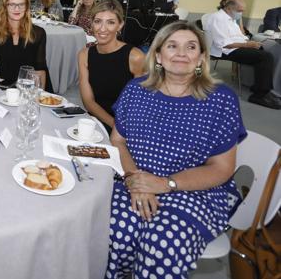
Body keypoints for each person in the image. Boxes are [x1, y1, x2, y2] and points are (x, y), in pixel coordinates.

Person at [106, 21, 247, 279]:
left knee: (162, 242)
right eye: (172, 45)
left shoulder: (220, 99)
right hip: (133, 177)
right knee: (112, 229)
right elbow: (118, 141)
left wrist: (164, 184)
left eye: (191, 47)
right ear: (158, 55)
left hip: (193, 190)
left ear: (201, 57)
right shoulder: (136, 90)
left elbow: (222, 168)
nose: (181, 53)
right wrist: (134, 180)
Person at [77, 0, 145, 133]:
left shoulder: (135, 57)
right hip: (96, 122)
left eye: (111, 22)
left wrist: (120, 131)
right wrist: (114, 125)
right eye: (97, 21)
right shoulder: (84, 55)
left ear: (120, 26)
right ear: (91, 23)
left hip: (128, 127)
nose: (102, 29)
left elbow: (140, 107)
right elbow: (88, 102)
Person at [205, 0, 279, 109]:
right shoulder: (218, 18)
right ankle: (259, 95)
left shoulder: (230, 19)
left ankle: (262, 89)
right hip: (225, 51)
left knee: (264, 52)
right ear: (229, 8)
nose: (241, 13)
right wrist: (247, 45)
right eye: (239, 10)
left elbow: (239, 37)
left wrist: (250, 42)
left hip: (236, 47)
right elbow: (223, 44)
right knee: (264, 57)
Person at [0, 0, 51, 91]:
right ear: (5, 7)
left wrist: (38, 97)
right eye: (12, 4)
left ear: (27, 7)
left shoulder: (38, 34)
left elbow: (40, 71)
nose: (17, 9)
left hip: (27, 90)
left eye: (21, 4)